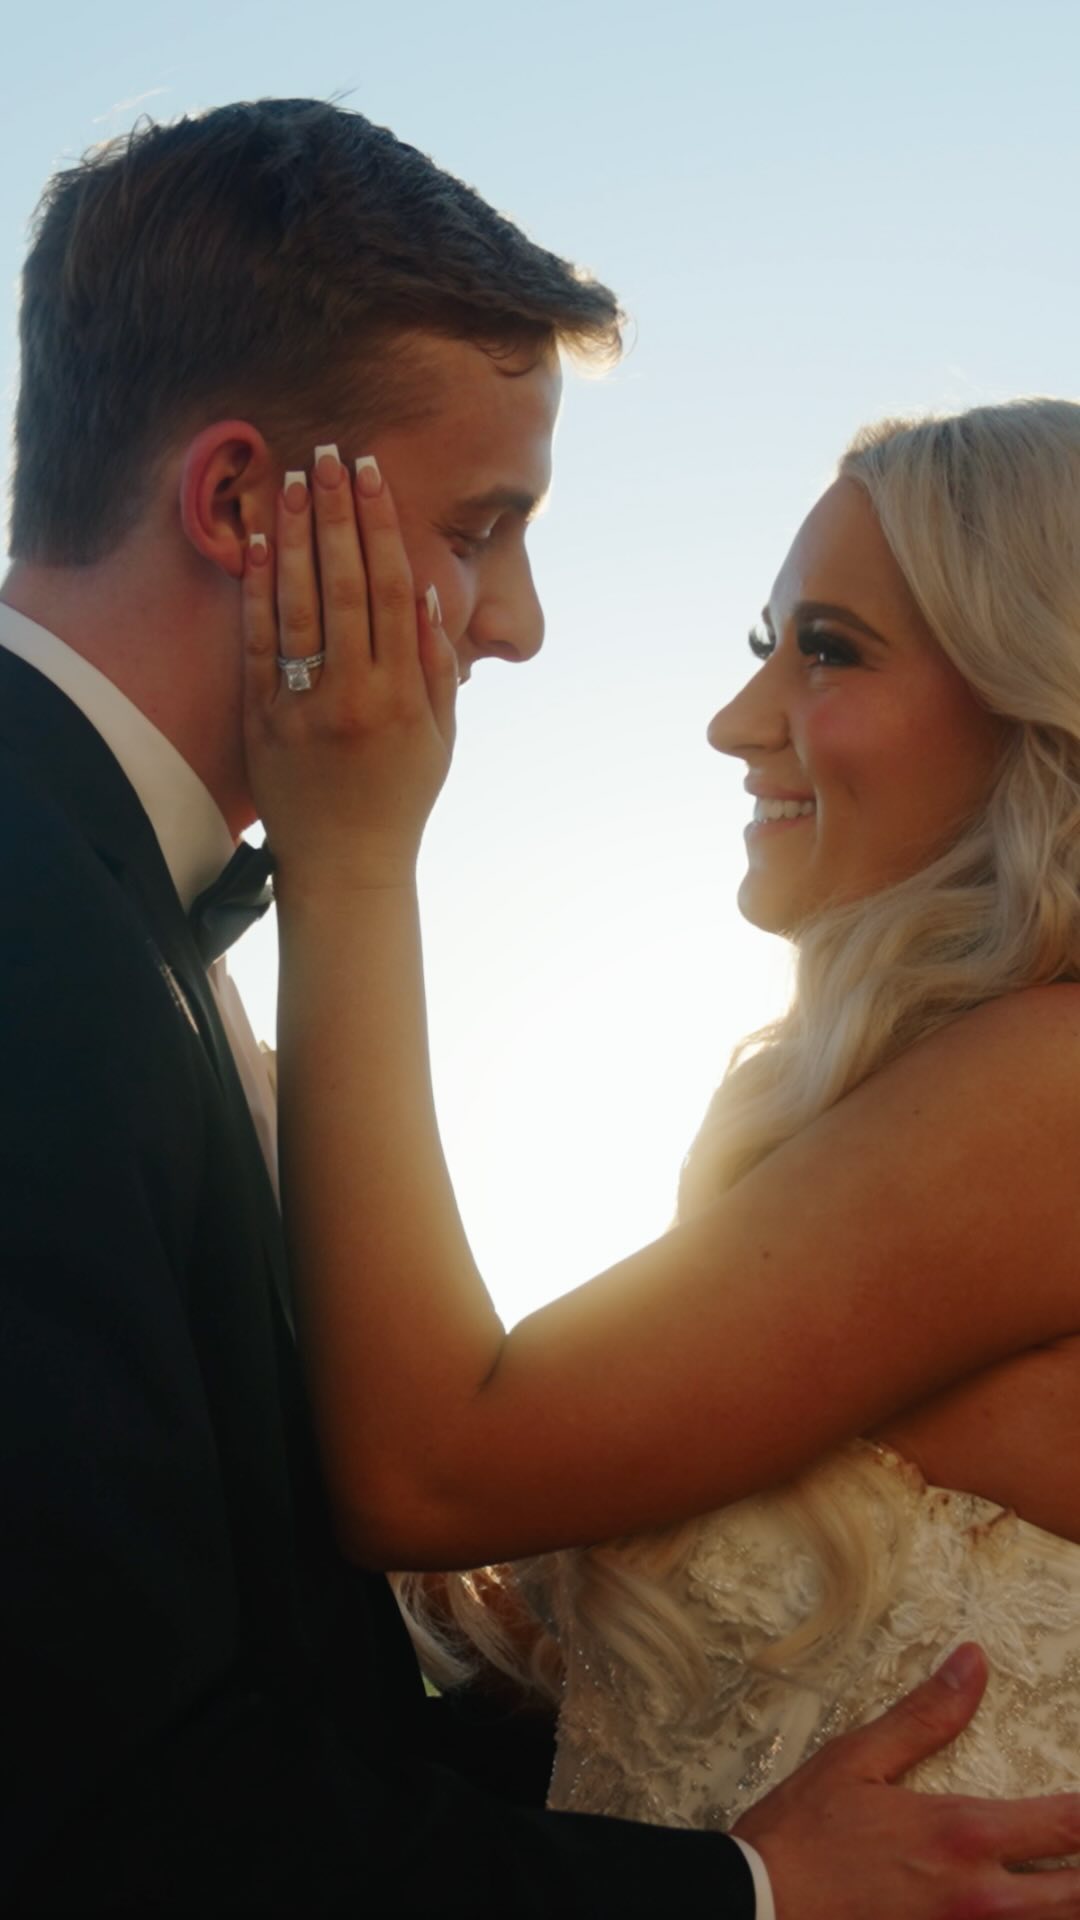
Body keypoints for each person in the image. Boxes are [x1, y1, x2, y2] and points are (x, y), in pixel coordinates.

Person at [1, 92, 1075, 1920]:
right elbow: (120, 1790)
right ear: (245, 505)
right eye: (482, 528)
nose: (519, 626)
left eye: (826, 648)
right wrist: (737, 1883)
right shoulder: (48, 923)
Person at [239, 398, 1080, 1895]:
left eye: (828, 648)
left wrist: (349, 853)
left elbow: (427, 1474)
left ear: (1039, 689)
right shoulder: (874, 1113)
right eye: (763, 643)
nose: (739, 720)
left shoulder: (1051, 1091)